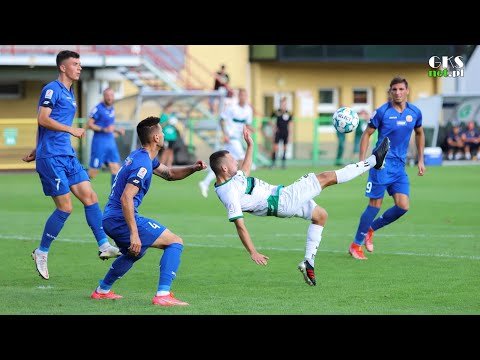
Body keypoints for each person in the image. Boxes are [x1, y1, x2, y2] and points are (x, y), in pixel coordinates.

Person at [209, 126, 390, 286]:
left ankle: (308, 262)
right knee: (325, 177)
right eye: (232, 161)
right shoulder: (228, 193)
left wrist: (250, 145)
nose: (236, 162)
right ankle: (374, 161)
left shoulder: (232, 179)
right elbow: (240, 225)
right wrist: (253, 252)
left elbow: (245, 171)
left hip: (283, 197)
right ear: (224, 169)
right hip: (281, 201)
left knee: (320, 215)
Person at [22, 50, 121, 280]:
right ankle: (42, 252)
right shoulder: (51, 89)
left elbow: (46, 127)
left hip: (66, 154)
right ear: (63, 67)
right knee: (65, 208)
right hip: (53, 158)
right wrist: (70, 131)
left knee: (91, 197)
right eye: (75, 64)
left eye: (80, 64)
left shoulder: (70, 94)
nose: (79, 67)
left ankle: (104, 245)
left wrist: (37, 149)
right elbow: (42, 119)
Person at [91, 116, 207, 305]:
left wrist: (193, 168)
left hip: (111, 218)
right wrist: (134, 234)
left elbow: (169, 174)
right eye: (161, 132)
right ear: (155, 138)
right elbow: (126, 197)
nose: (163, 135)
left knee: (135, 252)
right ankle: (162, 295)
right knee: (174, 242)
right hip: (121, 218)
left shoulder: (142, 157)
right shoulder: (142, 164)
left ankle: (102, 290)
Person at [348, 76, 425, 260]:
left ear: (407, 91)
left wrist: (421, 159)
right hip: (381, 164)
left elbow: (420, 133)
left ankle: (371, 230)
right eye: (394, 89)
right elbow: (367, 134)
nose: (398, 93)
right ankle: (356, 245)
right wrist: (361, 161)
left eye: (401, 89)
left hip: (399, 167)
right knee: (375, 205)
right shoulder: (382, 112)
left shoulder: (415, 112)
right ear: (390, 91)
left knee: (403, 206)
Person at [199, 88, 254, 198]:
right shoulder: (232, 108)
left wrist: (252, 129)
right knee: (243, 159)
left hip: (237, 139)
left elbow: (247, 124)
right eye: (241, 95)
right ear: (239, 96)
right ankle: (241, 186)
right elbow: (222, 119)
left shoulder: (248, 110)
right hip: (231, 138)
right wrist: (225, 134)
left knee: (224, 163)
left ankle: (205, 182)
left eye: (245, 95)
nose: (243, 97)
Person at [87, 88, 125, 186]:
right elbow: (89, 125)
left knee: (116, 169)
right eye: (107, 95)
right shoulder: (98, 108)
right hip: (99, 143)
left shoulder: (112, 108)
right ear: (104, 96)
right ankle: (73, 180)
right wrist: (103, 129)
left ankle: (114, 198)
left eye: (111, 95)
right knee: (93, 173)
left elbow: (110, 126)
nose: (109, 97)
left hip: (110, 143)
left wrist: (117, 130)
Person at [270, 97, 293, 169]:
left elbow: (291, 124)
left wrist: (290, 135)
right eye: (282, 104)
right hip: (278, 132)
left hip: (285, 132)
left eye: (285, 104)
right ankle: (273, 163)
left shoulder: (289, 113)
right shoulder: (276, 112)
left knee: (285, 148)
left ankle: (283, 164)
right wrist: (274, 127)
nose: (283, 105)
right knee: (275, 147)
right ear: (280, 104)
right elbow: (270, 120)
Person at [159, 102, 179, 167]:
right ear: (166, 108)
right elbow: (160, 126)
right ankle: (161, 164)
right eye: (170, 108)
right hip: (166, 137)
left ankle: (169, 165)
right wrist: (167, 122)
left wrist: (174, 124)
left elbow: (175, 126)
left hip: (172, 137)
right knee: (165, 150)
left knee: (171, 151)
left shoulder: (172, 116)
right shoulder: (163, 116)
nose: (171, 109)